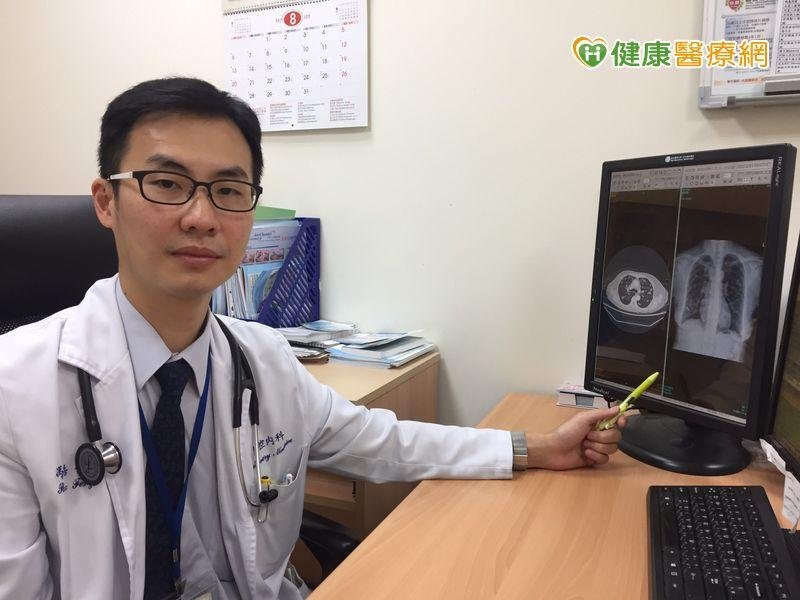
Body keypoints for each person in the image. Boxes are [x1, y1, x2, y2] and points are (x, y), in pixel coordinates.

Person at [0, 77, 625, 600]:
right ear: (106, 202)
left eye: (228, 190)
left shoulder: (264, 359)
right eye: (166, 184)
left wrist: (537, 448)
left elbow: (386, 442)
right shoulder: (14, 389)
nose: (201, 217)